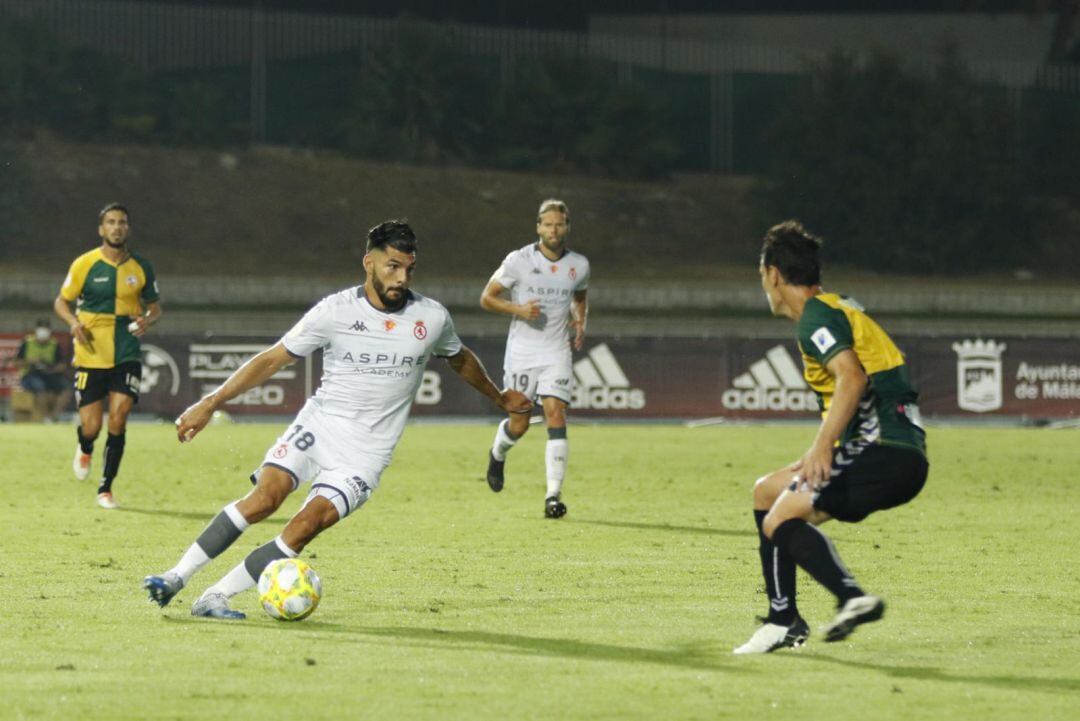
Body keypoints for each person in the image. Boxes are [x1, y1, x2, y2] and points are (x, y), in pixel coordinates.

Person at [143, 220, 531, 619]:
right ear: (369, 263)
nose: (401, 278)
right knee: (264, 498)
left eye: (408, 269)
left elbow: (460, 358)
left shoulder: (431, 318)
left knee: (305, 525)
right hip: (320, 426)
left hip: (366, 454)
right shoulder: (335, 311)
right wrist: (211, 401)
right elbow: (273, 358)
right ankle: (175, 576)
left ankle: (215, 596)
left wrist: (499, 397)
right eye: (392, 266)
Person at [734, 221, 929, 654]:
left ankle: (851, 597)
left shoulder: (816, 318)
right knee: (767, 493)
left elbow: (851, 377)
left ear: (773, 275)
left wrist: (822, 447)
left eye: (762, 276)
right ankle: (783, 619)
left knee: (781, 519)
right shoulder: (835, 307)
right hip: (895, 449)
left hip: (884, 450)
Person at [481, 199, 589, 518]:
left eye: (559, 224)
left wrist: (580, 320)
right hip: (522, 353)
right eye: (548, 224)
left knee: (556, 414)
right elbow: (487, 298)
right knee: (520, 423)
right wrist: (518, 310)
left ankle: (553, 496)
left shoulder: (579, 265)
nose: (554, 230)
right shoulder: (519, 260)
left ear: (567, 227)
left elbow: (580, 295)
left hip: (556, 350)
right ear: (538, 227)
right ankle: (498, 453)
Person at [53, 203, 162, 509]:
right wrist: (73, 322)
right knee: (92, 426)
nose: (117, 227)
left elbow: (155, 307)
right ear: (101, 229)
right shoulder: (84, 264)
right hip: (90, 353)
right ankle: (85, 445)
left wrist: (147, 320)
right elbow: (61, 302)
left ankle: (105, 488)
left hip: (127, 351)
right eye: (111, 222)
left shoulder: (141, 267)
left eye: (122, 222)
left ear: (128, 228)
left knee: (120, 416)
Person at [15, 319, 70, 423]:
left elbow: (62, 365)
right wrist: (30, 361)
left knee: (65, 389)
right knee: (40, 387)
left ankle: (54, 416)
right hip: (30, 375)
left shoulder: (54, 344)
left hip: (49, 374)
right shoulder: (27, 342)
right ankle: (46, 417)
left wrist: (52, 367)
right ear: (36, 330)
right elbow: (17, 363)